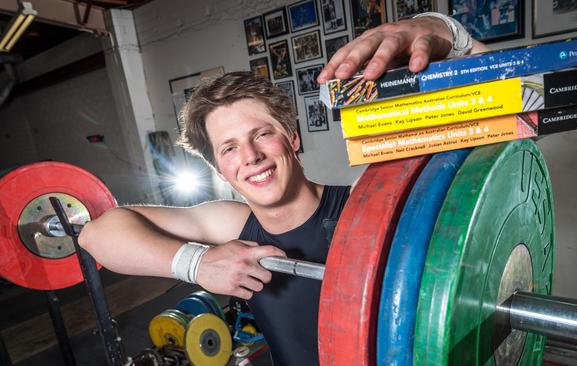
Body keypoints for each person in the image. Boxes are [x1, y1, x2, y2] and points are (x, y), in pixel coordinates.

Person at [79, 13, 488, 366]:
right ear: (220, 169)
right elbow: (98, 233)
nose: (251, 156)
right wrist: (197, 264)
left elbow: (503, 113)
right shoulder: (230, 223)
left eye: (262, 134)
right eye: (229, 148)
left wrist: (444, 31)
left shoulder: (363, 206)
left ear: (292, 138)